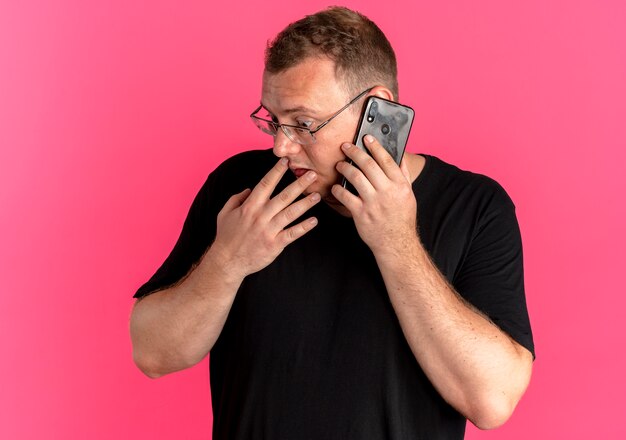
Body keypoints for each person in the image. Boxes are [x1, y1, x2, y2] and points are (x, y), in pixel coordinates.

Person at [129, 6, 534, 439]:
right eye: (273, 121)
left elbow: (491, 401)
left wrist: (396, 242)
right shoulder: (241, 189)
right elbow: (152, 353)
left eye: (303, 123)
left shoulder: (475, 206)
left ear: (378, 110)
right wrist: (228, 261)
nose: (281, 148)